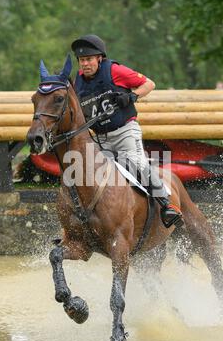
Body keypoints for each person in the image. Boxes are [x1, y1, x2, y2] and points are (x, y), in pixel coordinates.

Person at [71, 34, 182, 229]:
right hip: (100, 139)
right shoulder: (77, 83)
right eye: (81, 60)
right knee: (86, 173)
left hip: (124, 132)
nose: (85, 64)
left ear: (99, 58)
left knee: (137, 165)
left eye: (89, 59)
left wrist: (131, 96)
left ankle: (167, 204)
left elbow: (149, 84)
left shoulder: (114, 70)